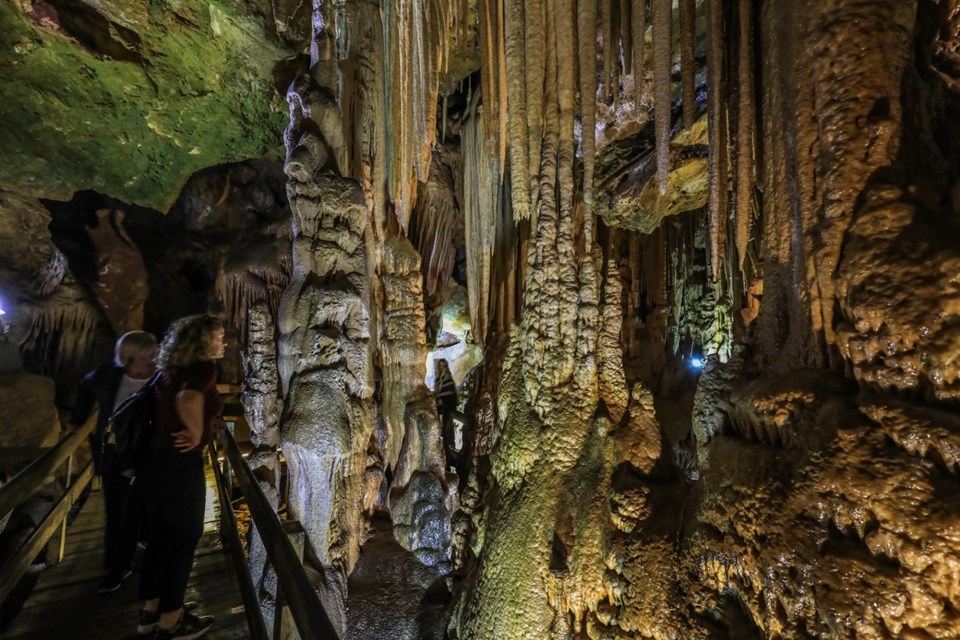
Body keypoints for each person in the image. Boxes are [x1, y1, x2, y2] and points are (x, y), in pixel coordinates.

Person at [136, 314, 225, 640]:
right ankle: (172, 621)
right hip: (179, 466)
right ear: (202, 342)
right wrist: (196, 430)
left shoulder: (168, 370)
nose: (223, 342)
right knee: (185, 539)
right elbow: (187, 399)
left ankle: (150, 612)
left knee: (159, 541)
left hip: (155, 464)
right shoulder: (203, 369)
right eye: (218, 336)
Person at [68, 330, 158, 595]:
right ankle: (117, 568)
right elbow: (85, 387)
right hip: (114, 455)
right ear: (128, 357)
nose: (153, 362)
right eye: (147, 357)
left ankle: (142, 544)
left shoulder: (160, 378)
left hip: (148, 455)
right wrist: (77, 419)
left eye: (155, 356)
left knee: (145, 508)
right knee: (118, 513)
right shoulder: (108, 376)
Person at [434, 358, 462, 472]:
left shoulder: (447, 377)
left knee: (449, 430)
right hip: (444, 406)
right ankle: (447, 452)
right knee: (445, 430)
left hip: (449, 405)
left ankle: (452, 454)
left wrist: (440, 394)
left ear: (446, 366)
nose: (442, 368)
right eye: (440, 366)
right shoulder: (439, 378)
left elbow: (450, 391)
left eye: (443, 366)